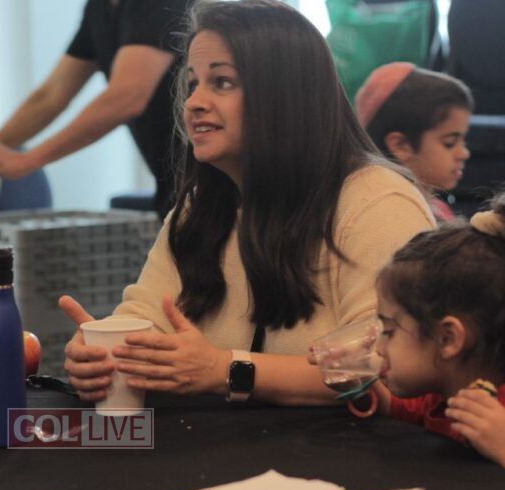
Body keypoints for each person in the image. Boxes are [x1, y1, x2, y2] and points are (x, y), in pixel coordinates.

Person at [60, 0, 436, 406]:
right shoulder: (200, 207)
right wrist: (104, 355)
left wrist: (225, 370)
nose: (194, 102)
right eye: (193, 83)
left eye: (221, 82)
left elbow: (381, 367)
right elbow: (148, 317)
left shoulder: (378, 203)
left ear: (285, 95)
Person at [0, 0, 190, 218]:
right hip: (173, 187)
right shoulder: (99, 8)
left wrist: (28, 161)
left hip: (202, 183)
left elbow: (127, 96)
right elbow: (50, 97)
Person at [370, 194, 505, 468]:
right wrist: (356, 384)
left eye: (389, 331)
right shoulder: (441, 398)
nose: (379, 348)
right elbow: (393, 405)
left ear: (448, 339)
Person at [355, 62, 474, 222]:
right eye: (450, 143)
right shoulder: (393, 218)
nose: (464, 153)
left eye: (463, 140)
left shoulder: (437, 208)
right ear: (401, 146)